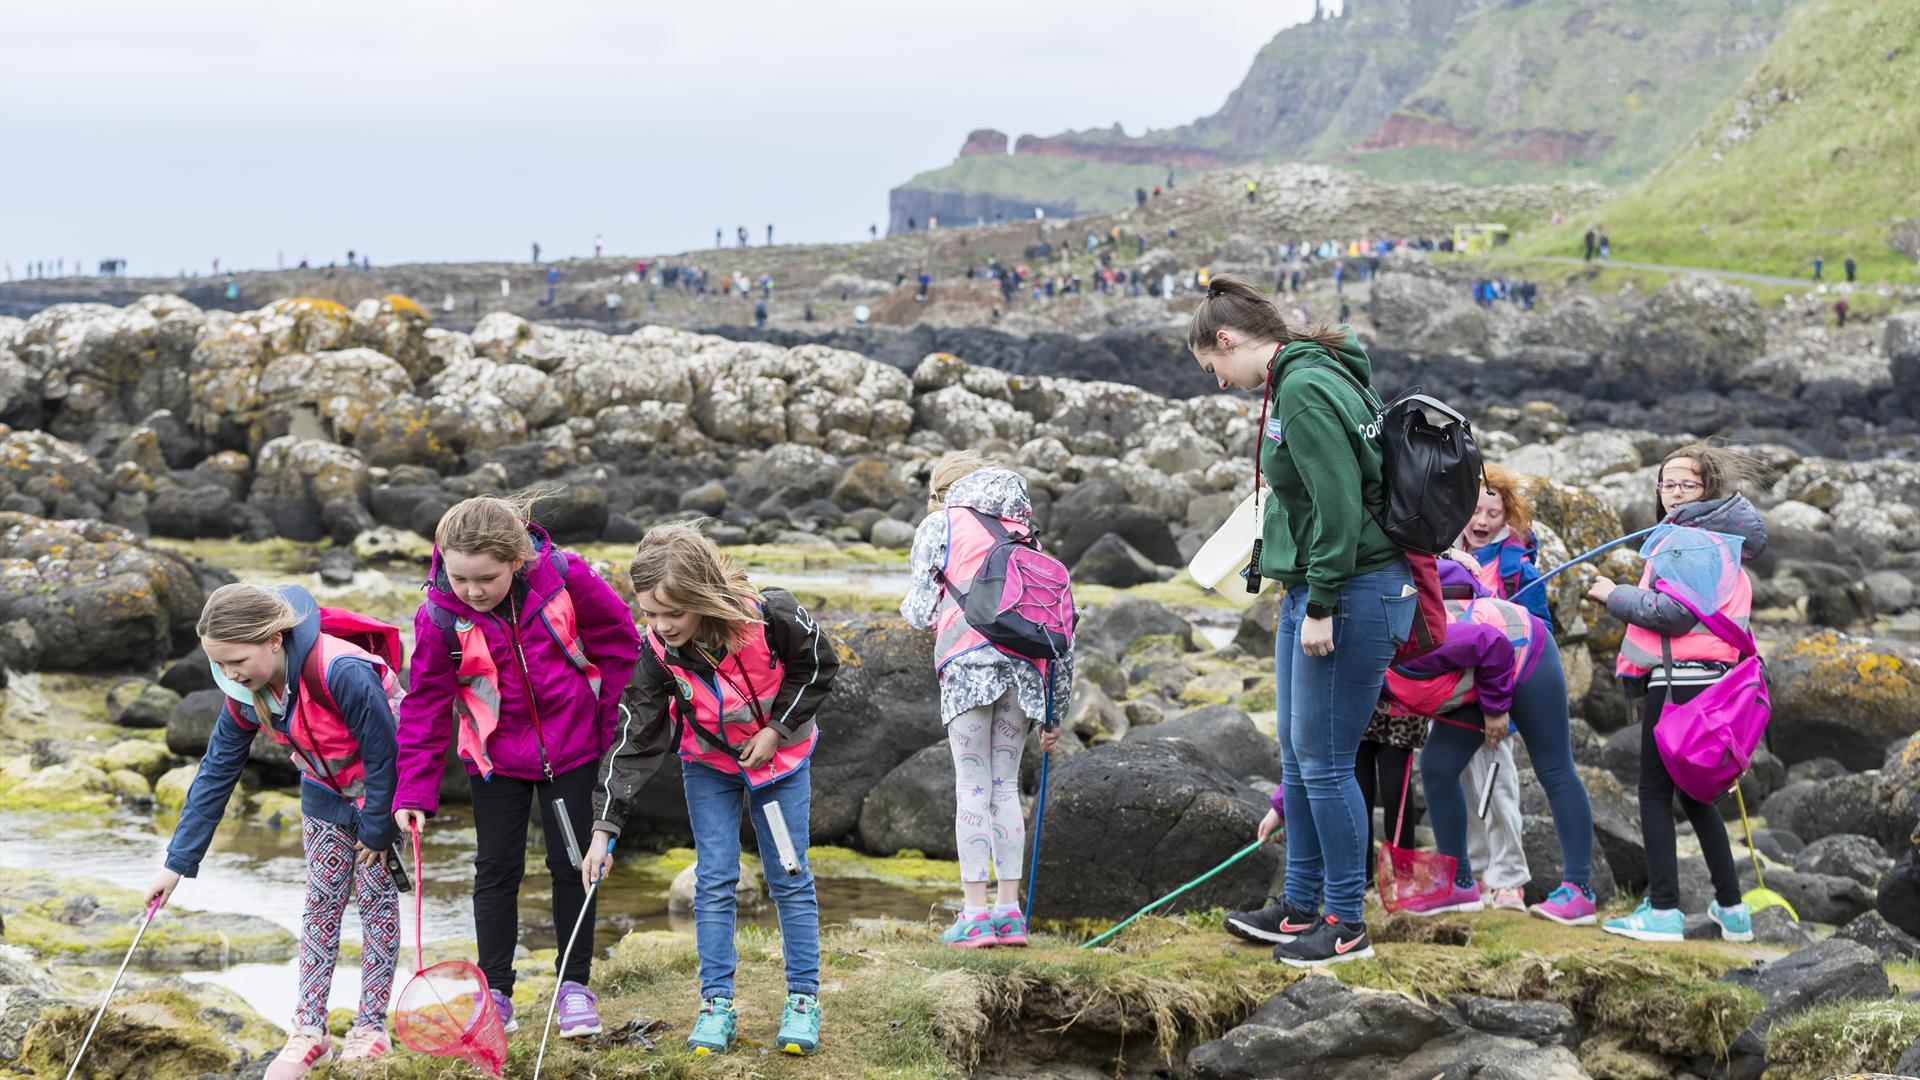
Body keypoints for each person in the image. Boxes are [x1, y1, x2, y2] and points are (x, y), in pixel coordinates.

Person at [1187, 274, 1413, 967]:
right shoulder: (1301, 380)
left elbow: (1341, 504)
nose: (1220, 382)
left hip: (1348, 592)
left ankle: (1346, 924)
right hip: (1314, 588)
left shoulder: (1308, 387)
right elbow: (1310, 497)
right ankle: (1301, 905)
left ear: (1227, 340)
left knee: (1326, 764)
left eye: (1212, 368)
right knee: (1299, 753)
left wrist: (1320, 605)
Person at [391, 491, 641, 1038]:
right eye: (461, 579)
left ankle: (574, 986)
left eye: (486, 578)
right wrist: (413, 793)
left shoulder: (565, 578)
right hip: (494, 758)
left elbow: (622, 646)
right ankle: (496, 993)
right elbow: (425, 706)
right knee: (495, 870)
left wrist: (605, 729)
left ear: (516, 560)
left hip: (575, 751)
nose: (474, 591)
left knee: (573, 864)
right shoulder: (438, 616)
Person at [587, 523, 837, 1056]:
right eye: (649, 613)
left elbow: (818, 666)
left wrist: (775, 731)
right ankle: (716, 1004)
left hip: (780, 765)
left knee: (789, 876)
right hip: (709, 768)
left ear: (703, 595)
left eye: (671, 614)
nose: (659, 626)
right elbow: (635, 736)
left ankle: (803, 1001)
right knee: (715, 879)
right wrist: (605, 826)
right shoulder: (658, 651)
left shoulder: (773, 616)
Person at [146, 584, 403, 1077]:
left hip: (380, 793)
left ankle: (370, 1028)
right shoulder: (245, 694)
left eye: (235, 660)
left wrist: (375, 832)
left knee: (376, 903)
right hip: (324, 791)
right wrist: (175, 864)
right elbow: (216, 771)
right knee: (321, 902)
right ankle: (310, 1030)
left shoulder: (341, 671)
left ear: (273, 640)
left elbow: (385, 755)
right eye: (218, 665)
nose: (229, 674)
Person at [1590, 445, 1767, 944]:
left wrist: (1613, 595)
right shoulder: (1717, 541)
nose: (1673, 494)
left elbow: (1674, 614)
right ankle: (1732, 911)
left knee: (1653, 791)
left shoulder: (1687, 543)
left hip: (1679, 683)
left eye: (1685, 485)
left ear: (1706, 490)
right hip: (1713, 682)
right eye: (1666, 484)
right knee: (1696, 797)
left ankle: (1664, 911)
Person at [900, 453, 1070, 949]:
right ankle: (1009, 914)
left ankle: (974, 915)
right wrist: (1054, 712)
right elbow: (1061, 629)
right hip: (1024, 677)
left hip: (967, 669)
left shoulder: (942, 525)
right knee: (1005, 787)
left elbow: (917, 610)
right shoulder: (1026, 535)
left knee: (972, 785)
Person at [1394, 559, 1598, 925]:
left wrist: (1496, 710)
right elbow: (1329, 748)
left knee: (1553, 768)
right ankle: (1458, 884)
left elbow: (1493, 645)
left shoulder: (1414, 641)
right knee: (1437, 766)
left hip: (1523, 650)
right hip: (1479, 675)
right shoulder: (1364, 665)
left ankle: (1579, 891)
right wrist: (1283, 804)